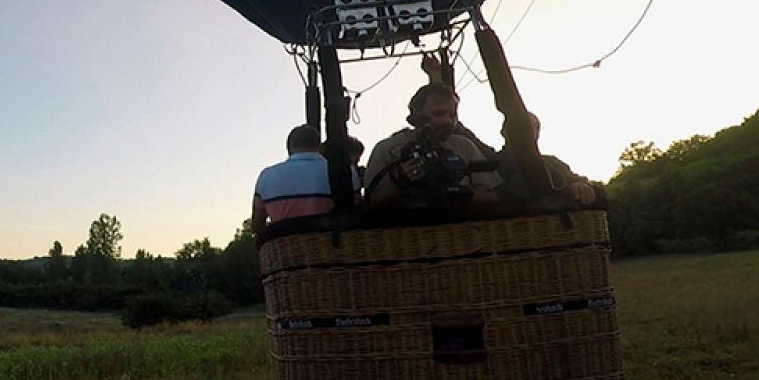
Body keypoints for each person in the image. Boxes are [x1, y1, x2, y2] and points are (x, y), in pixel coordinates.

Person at [363, 84, 501, 210]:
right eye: (438, 114)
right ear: (417, 115)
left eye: (452, 115)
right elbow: (371, 201)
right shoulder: (387, 149)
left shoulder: (464, 146)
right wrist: (401, 181)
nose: (447, 121)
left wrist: (456, 197)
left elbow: (492, 196)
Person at [250, 124, 358, 237]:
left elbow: (257, 226)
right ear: (320, 147)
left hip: (285, 245)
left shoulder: (266, 176)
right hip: (333, 243)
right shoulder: (346, 172)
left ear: (289, 149)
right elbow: (355, 210)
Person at [495, 113, 600, 206]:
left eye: (531, 127)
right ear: (503, 131)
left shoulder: (552, 162)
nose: (525, 132)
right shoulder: (492, 162)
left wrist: (579, 185)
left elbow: (575, 179)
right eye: (519, 126)